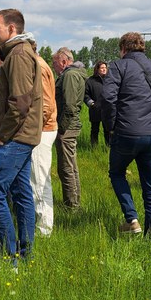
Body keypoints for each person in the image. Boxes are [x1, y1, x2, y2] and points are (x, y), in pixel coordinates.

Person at [102, 32, 151, 236]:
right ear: (142, 47)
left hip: (125, 133)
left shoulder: (118, 66)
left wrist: (111, 127)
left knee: (117, 173)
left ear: (123, 49)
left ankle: (132, 219)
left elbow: (108, 99)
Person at [0, 8, 43, 262]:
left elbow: (20, 103)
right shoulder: (20, 52)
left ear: (11, 29)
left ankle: (11, 256)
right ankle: (25, 254)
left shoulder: (18, 55)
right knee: (21, 194)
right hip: (22, 136)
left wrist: (1, 136)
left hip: (14, 138)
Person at [52, 48, 88, 209]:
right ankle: (73, 202)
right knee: (70, 167)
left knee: (66, 167)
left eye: (54, 63)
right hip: (68, 126)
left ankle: (72, 205)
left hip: (67, 128)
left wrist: (61, 128)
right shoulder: (71, 74)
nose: (53, 67)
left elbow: (70, 105)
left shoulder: (70, 75)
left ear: (64, 61)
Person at [30, 43, 58, 236]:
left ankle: (44, 229)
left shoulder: (37, 66)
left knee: (39, 179)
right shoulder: (38, 64)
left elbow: (46, 105)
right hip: (42, 128)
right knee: (36, 178)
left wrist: (33, 129)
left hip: (42, 130)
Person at [84, 61, 110, 146]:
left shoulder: (110, 80)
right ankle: (94, 148)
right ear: (97, 69)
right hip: (95, 109)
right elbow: (85, 94)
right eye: (102, 68)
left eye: (105, 68)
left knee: (108, 130)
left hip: (107, 110)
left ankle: (108, 147)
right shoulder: (90, 81)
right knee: (94, 130)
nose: (104, 69)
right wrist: (91, 104)